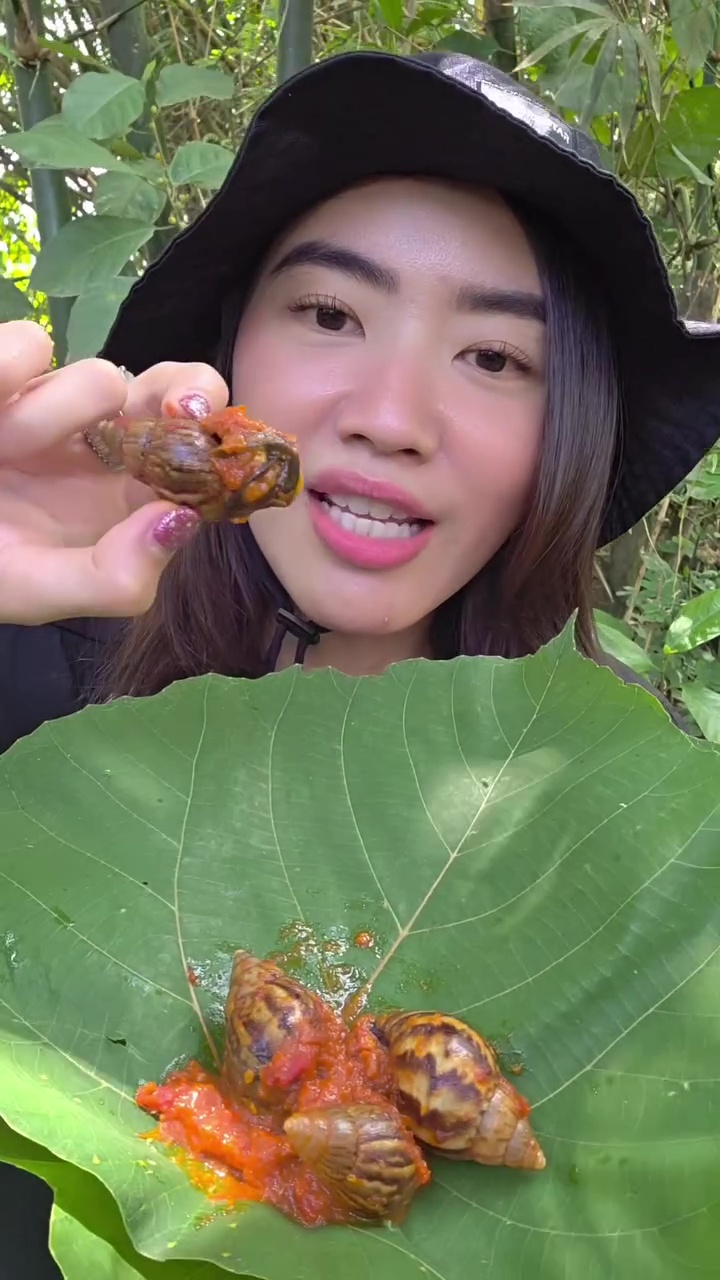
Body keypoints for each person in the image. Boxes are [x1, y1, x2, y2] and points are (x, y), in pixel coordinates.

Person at [0, 47, 717, 1277]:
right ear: (235, 356)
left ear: (570, 429)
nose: (392, 412)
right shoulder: (39, 689)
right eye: (331, 314)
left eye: (494, 357)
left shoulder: (638, 842)